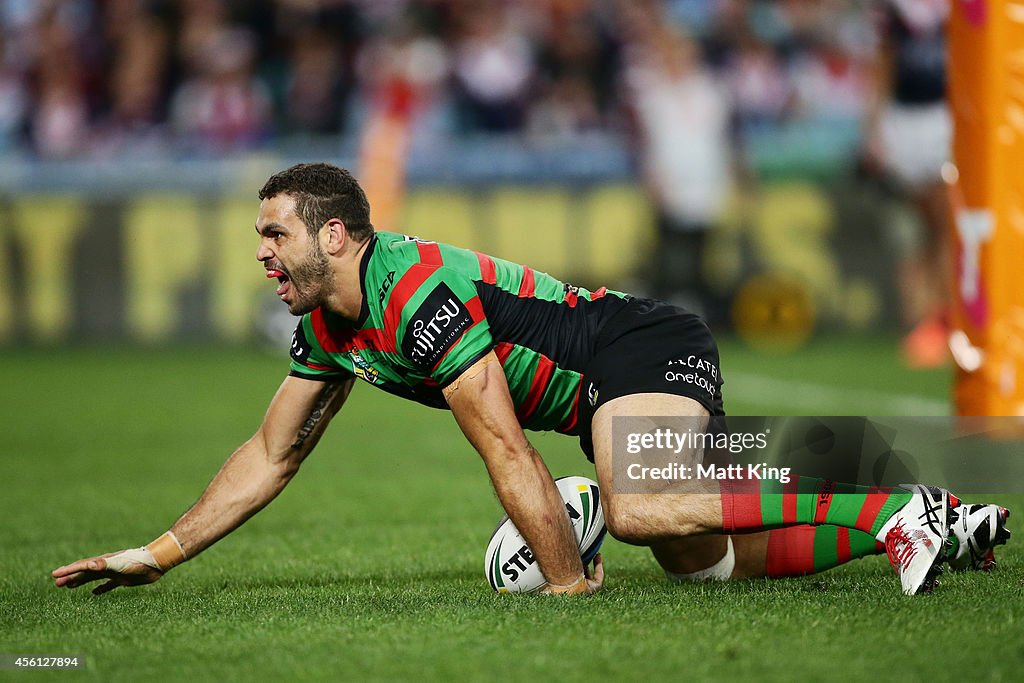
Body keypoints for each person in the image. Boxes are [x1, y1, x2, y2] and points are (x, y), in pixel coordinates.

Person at [53, 163, 1009, 597]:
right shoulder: (331, 327)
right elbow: (268, 455)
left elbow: (504, 444)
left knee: (638, 504)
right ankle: (926, 508)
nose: (261, 251)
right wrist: (161, 551)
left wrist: (565, 584)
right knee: (708, 562)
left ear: (333, 235)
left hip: (630, 347)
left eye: (275, 234)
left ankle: (891, 498)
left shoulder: (413, 290)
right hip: (604, 395)